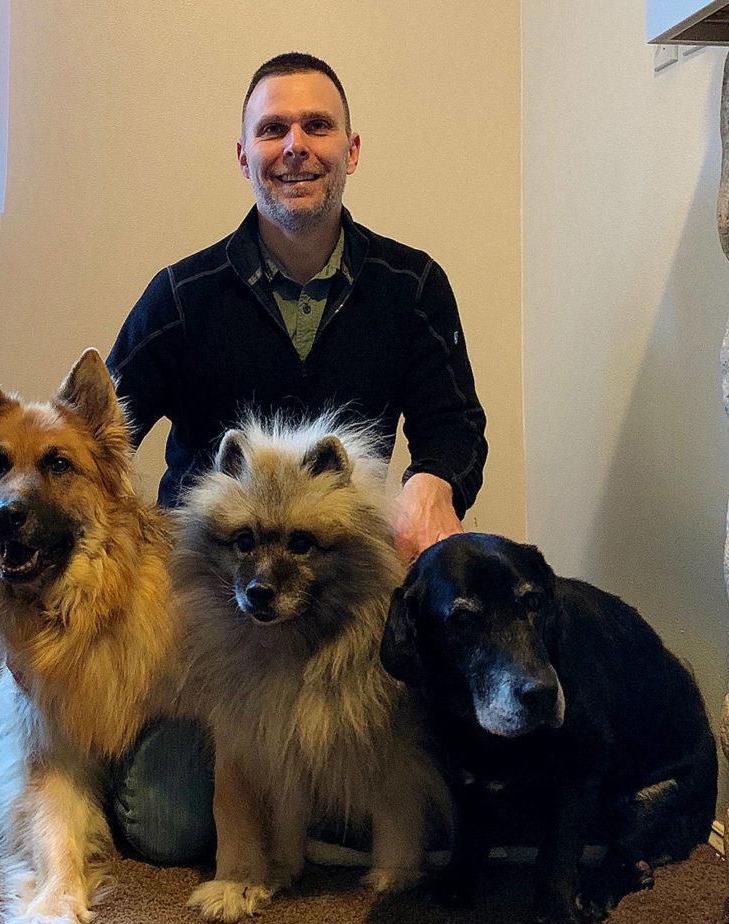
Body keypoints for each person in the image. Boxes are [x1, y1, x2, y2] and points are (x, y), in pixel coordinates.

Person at [105, 52, 487, 865]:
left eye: (316, 126)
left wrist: (433, 481)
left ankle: (320, 798)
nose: (294, 145)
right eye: (271, 128)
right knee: (164, 827)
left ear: (351, 150)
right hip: (217, 621)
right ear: (243, 154)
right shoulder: (180, 295)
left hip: (343, 604)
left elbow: (455, 426)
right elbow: (99, 443)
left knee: (422, 794)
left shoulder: (412, 286)